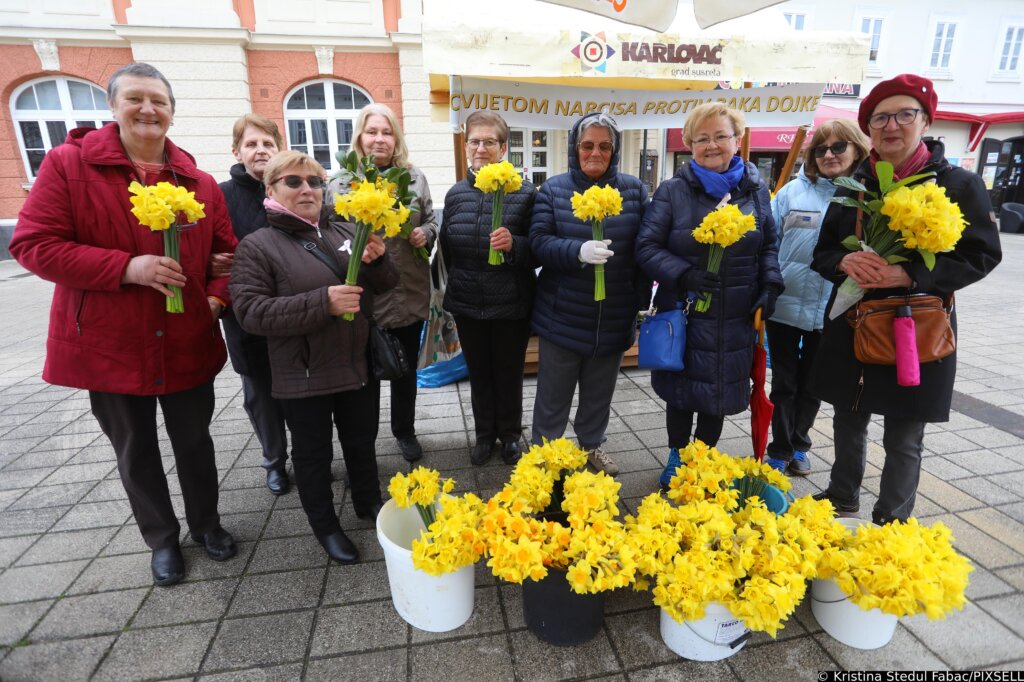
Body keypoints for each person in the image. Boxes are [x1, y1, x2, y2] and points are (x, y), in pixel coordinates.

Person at [9, 62, 238, 587]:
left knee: (195, 442)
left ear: (172, 113)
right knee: (135, 448)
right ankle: (162, 539)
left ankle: (207, 524)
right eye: (135, 98)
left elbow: (227, 254)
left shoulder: (199, 182)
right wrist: (126, 268)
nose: (148, 109)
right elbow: (32, 245)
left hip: (185, 338)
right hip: (110, 343)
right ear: (112, 107)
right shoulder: (70, 166)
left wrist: (214, 302)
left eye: (158, 100)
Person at [810, 74, 1001, 525]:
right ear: (868, 127)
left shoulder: (958, 185)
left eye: (904, 114)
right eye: (879, 117)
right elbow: (823, 252)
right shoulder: (855, 185)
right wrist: (844, 264)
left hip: (916, 323)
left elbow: (983, 254)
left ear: (925, 120)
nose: (891, 125)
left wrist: (911, 272)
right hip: (854, 319)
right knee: (847, 416)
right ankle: (843, 494)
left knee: (904, 432)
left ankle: (892, 520)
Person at [230, 151, 397, 563]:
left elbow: (386, 285)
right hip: (303, 373)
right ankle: (325, 525)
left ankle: (367, 500)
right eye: (294, 182)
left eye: (315, 181)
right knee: (312, 454)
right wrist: (323, 302)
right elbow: (250, 312)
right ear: (271, 189)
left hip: (355, 362)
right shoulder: (257, 246)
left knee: (361, 440)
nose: (307, 189)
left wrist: (379, 261)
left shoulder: (343, 228)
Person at [635, 102, 783, 491]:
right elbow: (646, 247)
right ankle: (676, 456)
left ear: (738, 140)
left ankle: (703, 457)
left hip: (735, 312)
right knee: (682, 391)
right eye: (702, 138)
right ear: (689, 145)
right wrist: (684, 274)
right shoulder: (672, 191)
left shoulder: (756, 192)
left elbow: (769, 245)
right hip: (686, 310)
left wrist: (770, 285)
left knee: (717, 390)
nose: (712, 145)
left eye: (721, 136)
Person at [529, 112, 651, 476]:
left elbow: (644, 249)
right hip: (563, 315)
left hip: (613, 317)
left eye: (604, 146)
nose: (595, 152)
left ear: (614, 151)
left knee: (599, 394)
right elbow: (537, 243)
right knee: (553, 396)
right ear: (574, 148)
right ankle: (545, 457)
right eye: (587, 145)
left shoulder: (633, 190)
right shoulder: (554, 189)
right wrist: (576, 251)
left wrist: (639, 302)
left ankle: (591, 448)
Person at [328, 104, 436, 463]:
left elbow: (432, 219)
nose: (379, 139)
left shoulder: (414, 177)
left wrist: (425, 232)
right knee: (366, 373)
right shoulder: (343, 181)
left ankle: (404, 431)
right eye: (371, 131)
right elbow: (330, 233)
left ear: (396, 138)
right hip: (365, 297)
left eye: (386, 132)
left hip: (408, 289)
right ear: (359, 137)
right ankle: (364, 440)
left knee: (404, 369)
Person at [763, 120, 870, 477]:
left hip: (833, 310)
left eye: (838, 147)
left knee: (813, 385)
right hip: (785, 303)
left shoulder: (867, 199)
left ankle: (799, 444)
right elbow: (768, 243)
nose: (828, 154)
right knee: (783, 383)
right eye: (820, 149)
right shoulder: (792, 192)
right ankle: (778, 447)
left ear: (856, 150)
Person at [440, 111, 537, 465]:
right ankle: (484, 435)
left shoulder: (525, 192)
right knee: (478, 372)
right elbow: (447, 250)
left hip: (511, 301)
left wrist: (515, 246)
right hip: (469, 301)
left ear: (503, 148)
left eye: (489, 142)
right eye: (475, 141)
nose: (481, 148)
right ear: (466, 147)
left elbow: (537, 247)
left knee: (509, 372)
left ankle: (510, 434)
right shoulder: (455, 194)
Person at [216, 114, 291, 495]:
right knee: (260, 392)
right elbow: (208, 248)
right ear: (237, 151)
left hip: (294, 308)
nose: (260, 150)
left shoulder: (291, 187)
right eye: (251, 144)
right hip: (246, 313)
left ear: (280, 150)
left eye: (267, 144)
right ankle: (275, 460)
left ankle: (310, 452)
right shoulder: (221, 195)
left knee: (299, 386)